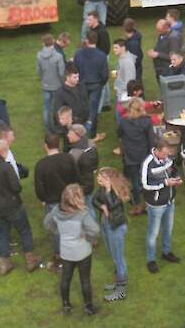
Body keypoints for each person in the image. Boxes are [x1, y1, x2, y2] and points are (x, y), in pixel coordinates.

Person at [0, 138, 40, 275]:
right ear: (3, 151)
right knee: (25, 230)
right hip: (13, 205)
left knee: (3, 233)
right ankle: (30, 260)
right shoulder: (6, 167)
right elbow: (17, 187)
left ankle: (4, 264)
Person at [44, 184, 100, 316]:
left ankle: (66, 305)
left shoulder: (56, 211)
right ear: (78, 198)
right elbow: (96, 230)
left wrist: (59, 231)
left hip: (66, 252)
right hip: (83, 252)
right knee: (85, 280)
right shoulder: (82, 214)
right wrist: (88, 237)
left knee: (65, 279)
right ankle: (89, 308)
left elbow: (47, 223)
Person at [34, 132, 81, 273]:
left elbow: (39, 188)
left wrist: (43, 199)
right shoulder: (69, 158)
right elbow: (77, 178)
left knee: (57, 232)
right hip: (70, 200)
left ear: (45, 146)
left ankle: (60, 260)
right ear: (59, 144)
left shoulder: (41, 165)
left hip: (53, 203)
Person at [141, 137, 183, 273]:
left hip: (170, 200)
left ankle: (166, 252)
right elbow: (145, 185)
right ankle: (150, 259)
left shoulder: (168, 158)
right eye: (164, 154)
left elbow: (173, 170)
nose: (166, 157)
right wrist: (165, 183)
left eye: (168, 153)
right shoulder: (148, 163)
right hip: (156, 204)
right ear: (157, 151)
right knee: (153, 233)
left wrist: (176, 179)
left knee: (168, 229)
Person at [93, 167, 130, 302]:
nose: (98, 179)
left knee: (119, 259)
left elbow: (112, 205)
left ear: (109, 179)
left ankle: (121, 292)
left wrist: (108, 191)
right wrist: (102, 207)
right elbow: (94, 200)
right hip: (106, 225)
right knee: (114, 257)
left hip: (116, 228)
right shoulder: (101, 189)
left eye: (101, 177)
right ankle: (118, 282)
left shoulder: (117, 192)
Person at [117, 98, 154, 215]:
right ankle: (149, 204)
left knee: (135, 182)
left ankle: (137, 205)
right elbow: (151, 140)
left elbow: (119, 134)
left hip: (130, 156)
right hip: (144, 155)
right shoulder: (147, 121)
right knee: (147, 181)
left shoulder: (123, 121)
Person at [73, 30, 109, 139]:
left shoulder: (78, 53)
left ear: (87, 40)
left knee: (81, 109)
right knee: (93, 111)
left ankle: (80, 133)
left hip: (82, 85)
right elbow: (105, 74)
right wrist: (101, 84)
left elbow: (75, 70)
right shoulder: (102, 56)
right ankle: (91, 135)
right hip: (96, 86)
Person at [36, 36, 66, 131]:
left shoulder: (39, 55)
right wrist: (63, 83)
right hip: (57, 85)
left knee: (46, 108)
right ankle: (58, 127)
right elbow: (61, 73)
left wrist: (43, 79)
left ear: (43, 43)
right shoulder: (58, 56)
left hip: (45, 85)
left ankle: (48, 130)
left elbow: (38, 71)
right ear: (53, 43)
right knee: (57, 107)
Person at [111, 39, 137, 115]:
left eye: (116, 48)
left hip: (124, 96)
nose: (114, 50)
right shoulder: (121, 58)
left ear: (123, 48)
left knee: (121, 117)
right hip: (121, 93)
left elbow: (130, 82)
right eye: (113, 48)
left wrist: (120, 90)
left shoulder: (127, 62)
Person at [122, 18, 144, 84]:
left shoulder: (133, 43)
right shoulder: (134, 38)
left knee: (135, 87)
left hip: (133, 70)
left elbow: (136, 59)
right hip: (135, 68)